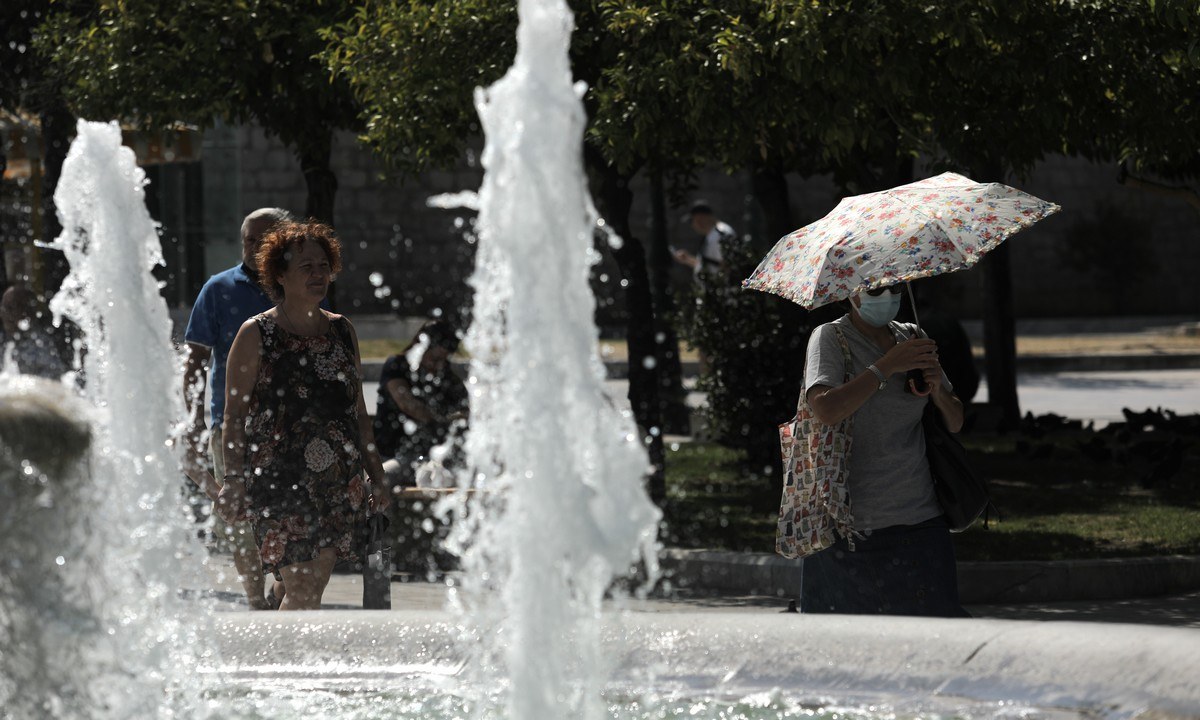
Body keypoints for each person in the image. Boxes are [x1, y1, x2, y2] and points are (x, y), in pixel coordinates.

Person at [217, 220, 391, 611]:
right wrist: (233, 480)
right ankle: (283, 643)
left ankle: (281, 608)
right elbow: (234, 415)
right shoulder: (256, 334)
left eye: (323, 266)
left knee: (310, 585)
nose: (318, 274)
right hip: (278, 481)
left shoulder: (342, 330)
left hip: (337, 482)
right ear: (280, 275)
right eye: (306, 266)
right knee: (304, 590)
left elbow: (358, 411)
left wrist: (376, 475)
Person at [799, 283, 968, 616]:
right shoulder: (831, 337)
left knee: (937, 634)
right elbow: (826, 409)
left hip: (922, 518)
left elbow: (956, 421)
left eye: (894, 288)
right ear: (851, 293)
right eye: (875, 290)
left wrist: (938, 390)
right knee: (853, 641)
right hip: (851, 526)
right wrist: (886, 366)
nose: (888, 297)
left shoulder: (912, 336)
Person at [182, 207, 291, 610]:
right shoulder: (218, 288)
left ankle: (282, 590)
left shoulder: (297, 287)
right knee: (240, 516)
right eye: (249, 239)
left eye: (264, 240)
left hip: (290, 423)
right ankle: (255, 601)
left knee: (291, 516)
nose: (255, 247)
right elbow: (196, 361)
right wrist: (195, 418)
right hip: (231, 422)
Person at [373, 319, 469, 490]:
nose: (438, 365)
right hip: (394, 454)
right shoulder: (397, 366)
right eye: (434, 358)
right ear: (420, 347)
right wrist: (443, 418)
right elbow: (407, 404)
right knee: (379, 480)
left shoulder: (448, 379)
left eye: (444, 360)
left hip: (431, 457)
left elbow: (466, 412)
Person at [0, 284, 68, 379]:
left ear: (25, 311)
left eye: (11, 307)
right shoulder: (4, 340)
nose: (4, 313)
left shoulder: (40, 344)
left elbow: (54, 378)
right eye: (3, 308)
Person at [673, 200, 736, 279]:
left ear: (700, 218)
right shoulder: (713, 234)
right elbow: (711, 265)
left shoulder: (720, 234)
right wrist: (688, 259)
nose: (693, 225)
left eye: (692, 221)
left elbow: (727, 266)